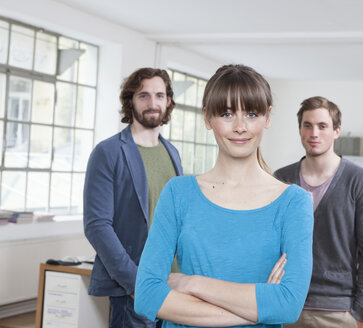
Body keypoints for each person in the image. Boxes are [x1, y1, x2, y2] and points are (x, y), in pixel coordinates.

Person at [134, 64, 314, 328]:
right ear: (207, 118)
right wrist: (259, 307)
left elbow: (288, 304)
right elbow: (147, 296)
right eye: (227, 114)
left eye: (251, 114)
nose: (240, 127)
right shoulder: (178, 193)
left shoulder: (293, 203)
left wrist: (193, 283)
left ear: (268, 117)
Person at [84, 67, 183, 328]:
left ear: (168, 101)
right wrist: (135, 283)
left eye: (159, 95)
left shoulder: (172, 153)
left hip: (173, 283)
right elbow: (97, 226)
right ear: (131, 101)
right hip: (134, 288)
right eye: (144, 96)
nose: (153, 103)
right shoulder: (108, 152)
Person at [275, 96, 363, 328]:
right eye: (307, 125)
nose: (314, 133)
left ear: (336, 131)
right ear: (300, 129)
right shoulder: (282, 179)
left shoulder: (360, 181)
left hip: (336, 310)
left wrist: (359, 311)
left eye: (323, 126)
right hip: (286, 304)